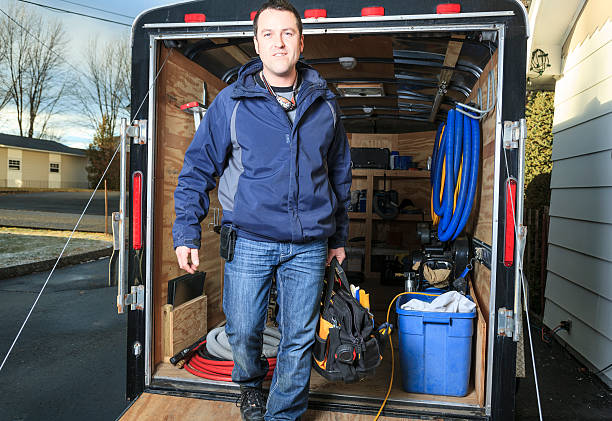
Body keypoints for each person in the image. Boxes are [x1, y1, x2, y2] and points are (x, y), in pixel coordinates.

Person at [172, 1, 351, 419]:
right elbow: (198, 167)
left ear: (301, 42)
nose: (278, 42)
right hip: (249, 239)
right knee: (243, 328)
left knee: (299, 335)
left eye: (288, 33)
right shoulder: (232, 102)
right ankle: (251, 384)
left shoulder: (324, 104)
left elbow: (339, 173)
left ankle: (281, 414)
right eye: (268, 34)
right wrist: (185, 231)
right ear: (256, 43)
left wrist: (338, 238)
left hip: (308, 244)